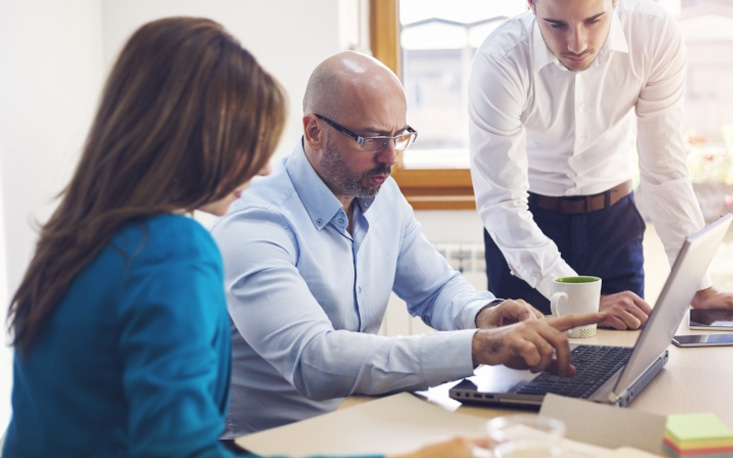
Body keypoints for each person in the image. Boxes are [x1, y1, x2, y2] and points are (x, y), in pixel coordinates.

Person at [0, 17, 484, 458]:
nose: (261, 167)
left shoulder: (76, 234)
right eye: (245, 144)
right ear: (187, 141)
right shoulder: (173, 250)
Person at [210, 50, 603, 436]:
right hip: (273, 442)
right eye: (373, 139)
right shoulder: (255, 223)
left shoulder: (382, 195)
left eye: (399, 136)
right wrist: (478, 346)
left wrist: (486, 315)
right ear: (314, 131)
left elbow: (435, 289)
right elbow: (313, 359)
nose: (391, 157)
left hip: (359, 422)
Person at [468, 0, 733, 330]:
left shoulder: (653, 34)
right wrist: (578, 297)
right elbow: (502, 203)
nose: (577, 44)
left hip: (614, 227)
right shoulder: (500, 60)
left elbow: (664, 169)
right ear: (531, 5)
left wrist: (699, 286)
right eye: (557, 25)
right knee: (523, 371)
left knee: (623, 366)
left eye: (593, 21)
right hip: (528, 229)